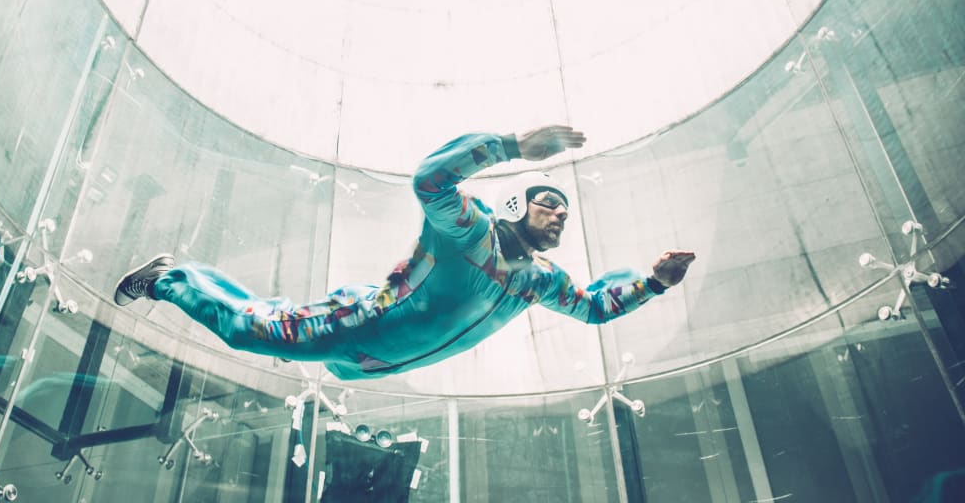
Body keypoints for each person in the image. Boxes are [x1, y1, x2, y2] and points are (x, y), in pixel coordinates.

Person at [114, 127, 696, 380]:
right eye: (548, 203)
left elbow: (594, 308)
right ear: (516, 204)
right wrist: (512, 146)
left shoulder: (540, 281)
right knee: (246, 332)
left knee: (258, 323)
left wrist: (656, 282)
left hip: (373, 362)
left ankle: (187, 277)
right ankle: (169, 279)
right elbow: (430, 181)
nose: (560, 214)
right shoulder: (471, 230)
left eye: (565, 211)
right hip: (357, 324)